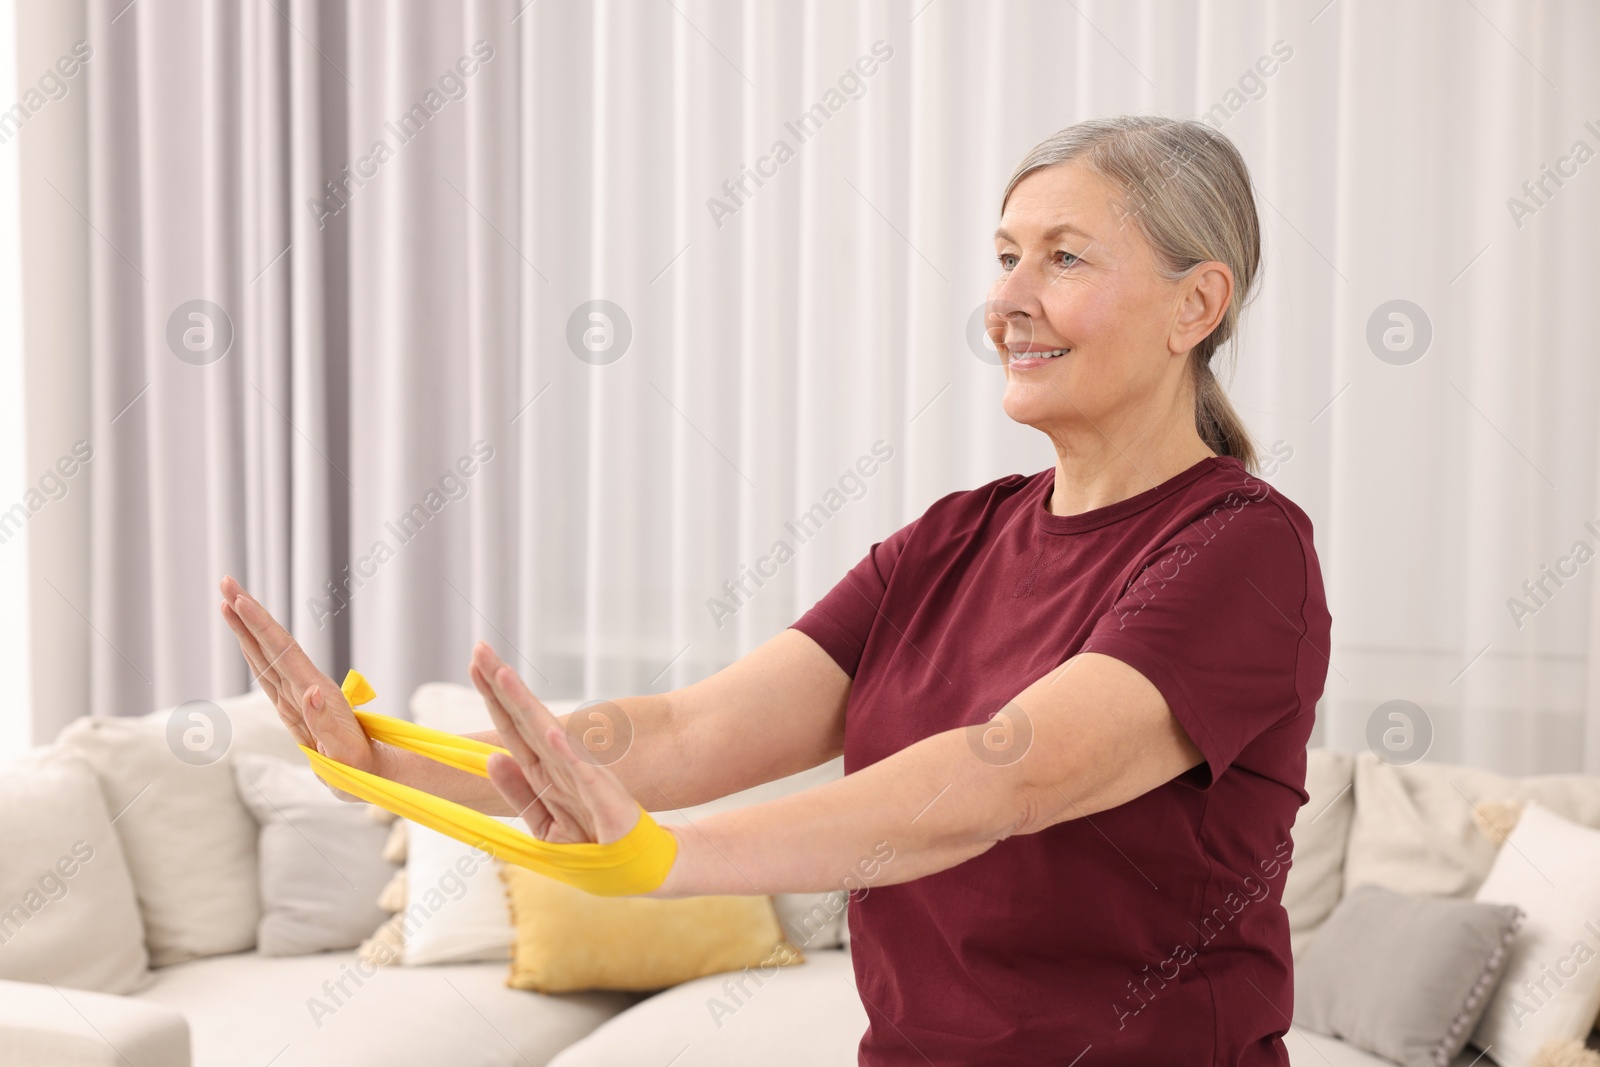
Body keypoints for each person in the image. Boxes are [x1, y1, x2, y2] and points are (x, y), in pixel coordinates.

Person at [220, 114, 1330, 1065]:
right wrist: (393, 761)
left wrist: (674, 858)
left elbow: (1006, 776)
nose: (1009, 301)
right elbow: (691, 729)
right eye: (1003, 256)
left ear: (1196, 305)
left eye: (1064, 259)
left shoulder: (1241, 550)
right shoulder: (953, 537)